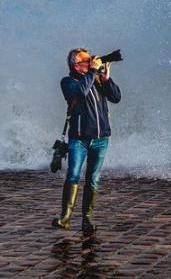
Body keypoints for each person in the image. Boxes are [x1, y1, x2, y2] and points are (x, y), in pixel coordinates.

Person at [52, 48, 121, 235]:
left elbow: (116, 97)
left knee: (93, 179)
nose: (91, 62)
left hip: (101, 139)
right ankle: (65, 218)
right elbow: (81, 93)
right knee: (73, 175)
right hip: (79, 139)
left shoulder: (96, 79)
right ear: (76, 65)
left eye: (91, 60)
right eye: (87, 60)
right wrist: (92, 72)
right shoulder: (68, 82)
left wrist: (106, 79)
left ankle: (87, 219)